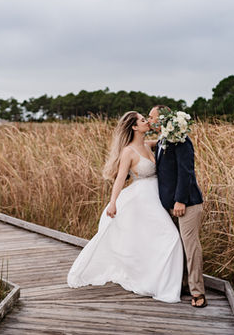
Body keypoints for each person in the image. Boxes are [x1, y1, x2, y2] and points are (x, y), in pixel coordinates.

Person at [67, 111, 183, 303]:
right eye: (144, 120)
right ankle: (159, 285)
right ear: (135, 127)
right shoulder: (128, 151)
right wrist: (113, 203)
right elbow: (120, 179)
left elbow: (167, 140)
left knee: (154, 240)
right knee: (171, 237)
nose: (147, 122)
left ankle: (160, 281)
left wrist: (177, 126)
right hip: (142, 199)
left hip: (156, 198)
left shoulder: (148, 144)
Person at [147, 105, 207, 308]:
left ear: (162, 119)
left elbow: (186, 171)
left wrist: (180, 200)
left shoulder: (181, 138)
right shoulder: (165, 138)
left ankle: (198, 292)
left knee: (191, 248)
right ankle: (181, 284)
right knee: (176, 246)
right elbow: (163, 148)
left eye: (151, 116)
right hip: (171, 204)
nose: (149, 120)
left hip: (187, 204)